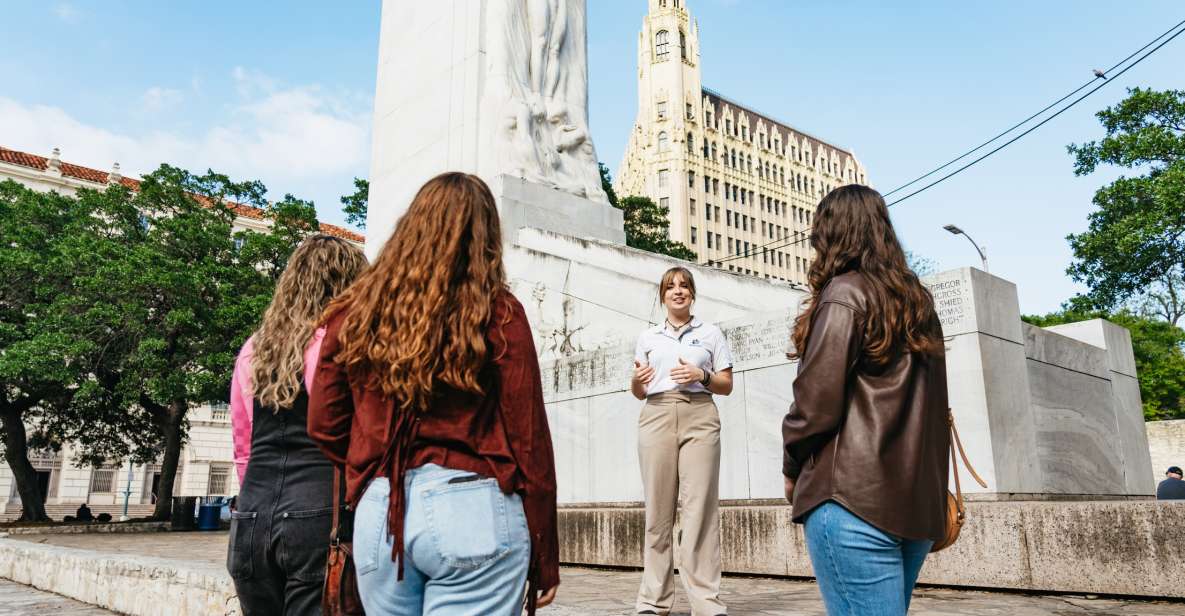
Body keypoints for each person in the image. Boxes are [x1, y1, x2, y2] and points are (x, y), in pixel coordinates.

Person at [307, 172, 560, 616]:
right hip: (474, 505)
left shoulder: (353, 313)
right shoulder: (498, 312)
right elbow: (529, 441)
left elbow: (324, 425)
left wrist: (371, 466)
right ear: (485, 237)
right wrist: (544, 550)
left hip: (382, 512)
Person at [781, 185, 950, 616]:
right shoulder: (917, 302)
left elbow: (815, 405)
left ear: (833, 233)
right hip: (915, 506)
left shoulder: (844, 294)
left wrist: (792, 468)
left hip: (850, 500)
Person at [226, 234, 368, 616]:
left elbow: (243, 445)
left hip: (251, 519)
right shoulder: (341, 346)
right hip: (318, 516)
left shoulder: (254, 348)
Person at [631, 266, 734, 616]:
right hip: (656, 413)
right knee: (657, 512)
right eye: (671, 286)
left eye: (684, 286)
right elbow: (638, 390)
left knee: (699, 511)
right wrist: (636, 381)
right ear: (662, 295)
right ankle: (653, 601)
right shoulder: (648, 338)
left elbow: (726, 384)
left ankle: (706, 603)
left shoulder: (711, 334)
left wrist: (700, 374)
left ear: (692, 293)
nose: (678, 291)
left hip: (700, 415)